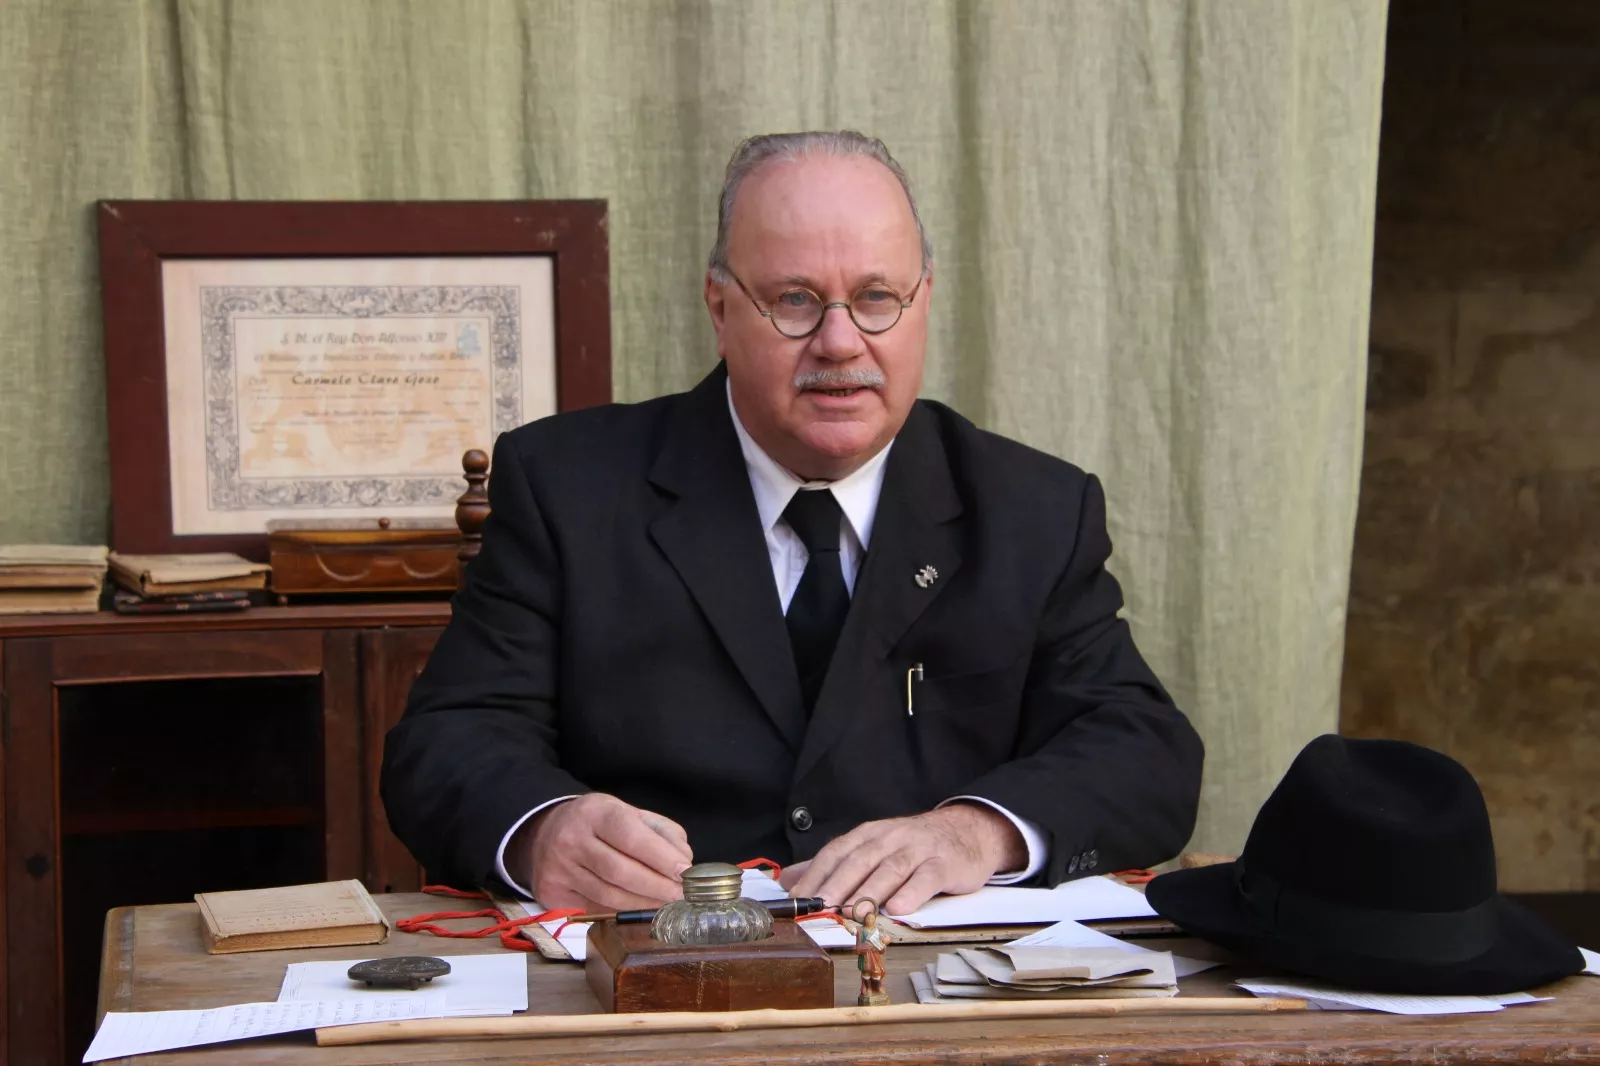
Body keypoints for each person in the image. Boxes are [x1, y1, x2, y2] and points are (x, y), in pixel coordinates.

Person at [382, 130, 1204, 918]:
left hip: (927, 994)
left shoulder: (1034, 510)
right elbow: (449, 741)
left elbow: (1145, 755)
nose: (841, 342)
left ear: (924, 303)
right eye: (794, 301)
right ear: (719, 307)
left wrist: (977, 831)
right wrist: (540, 829)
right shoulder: (569, 488)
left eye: (878, 298)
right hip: (653, 979)